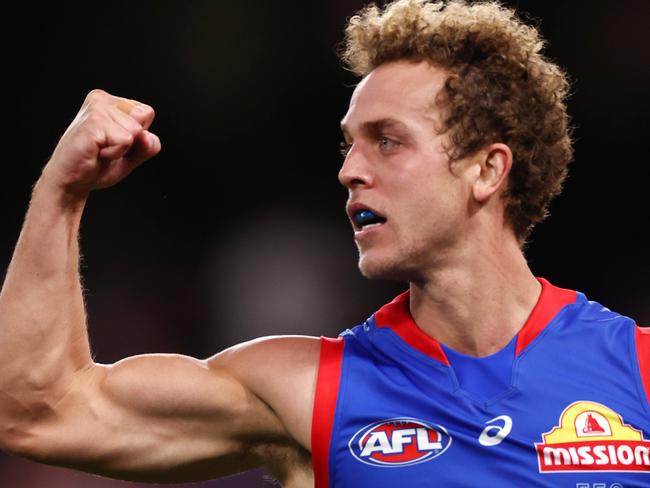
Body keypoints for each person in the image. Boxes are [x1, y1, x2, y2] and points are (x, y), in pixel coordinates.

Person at [0, 0, 648, 486]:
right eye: (349, 144)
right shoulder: (307, 390)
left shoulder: (637, 373)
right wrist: (61, 192)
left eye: (387, 140)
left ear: (487, 168)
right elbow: (39, 411)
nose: (349, 170)